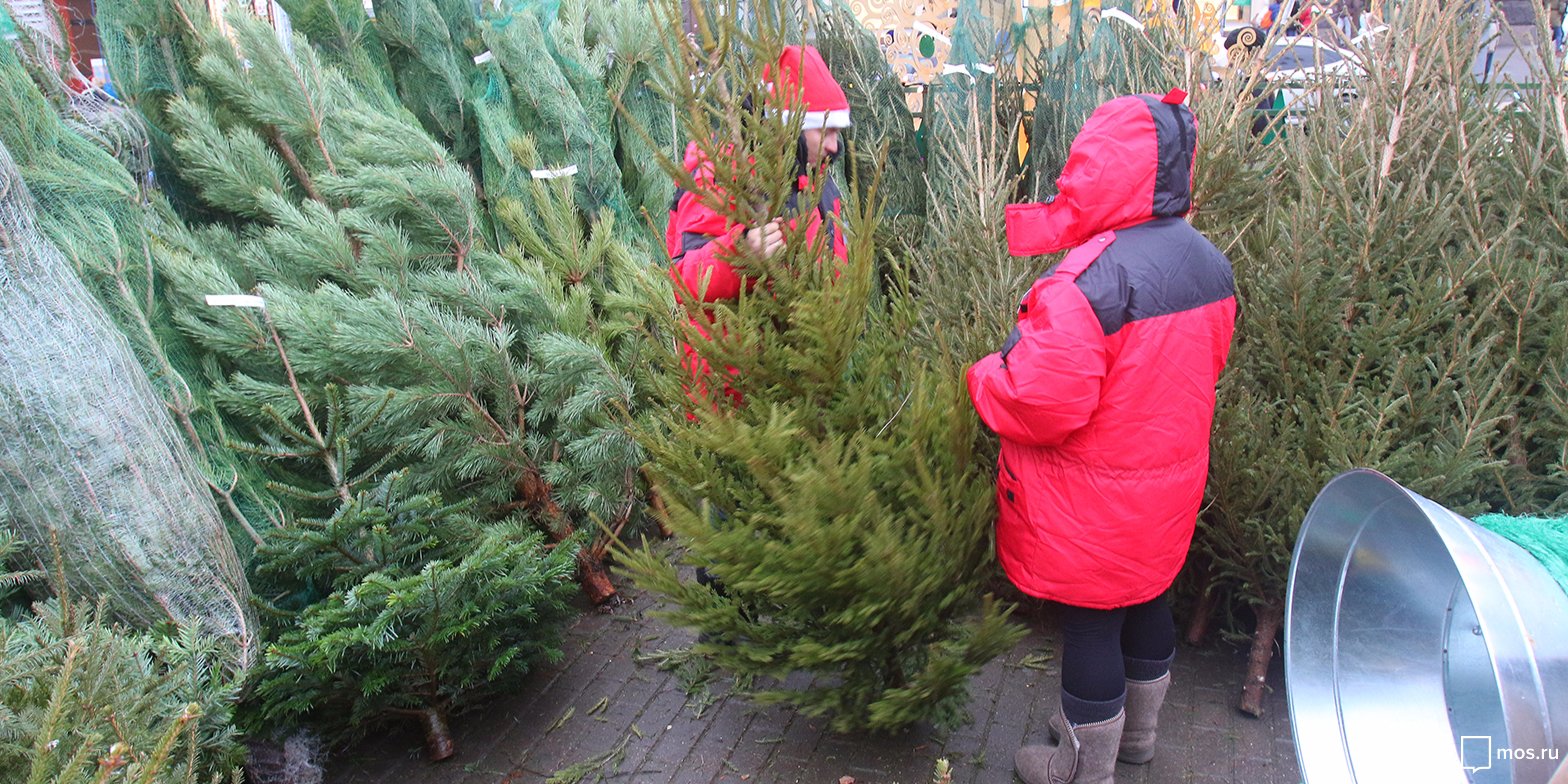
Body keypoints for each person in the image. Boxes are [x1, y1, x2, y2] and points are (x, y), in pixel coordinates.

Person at [967, 91, 1237, 784]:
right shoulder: (1209, 263)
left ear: (1104, 169)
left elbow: (1040, 402)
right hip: (1168, 488)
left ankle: (1084, 767)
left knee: (1091, 623)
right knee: (1149, 597)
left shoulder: (1091, 282)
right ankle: (1138, 738)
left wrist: (984, 376)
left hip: (1092, 503)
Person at [665, 44, 852, 598]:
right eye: (826, 131)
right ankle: (727, 622)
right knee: (731, 507)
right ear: (791, 125)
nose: (837, 145)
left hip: (792, 368)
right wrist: (741, 253)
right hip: (730, 376)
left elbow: (835, 257)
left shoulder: (813, 180)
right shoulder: (716, 173)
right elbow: (684, 278)